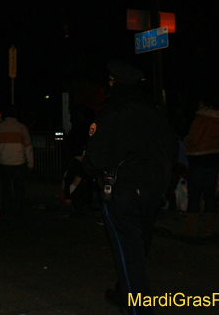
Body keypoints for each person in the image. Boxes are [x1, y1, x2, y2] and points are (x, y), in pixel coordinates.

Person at [84, 60, 176, 315]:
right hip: (154, 189)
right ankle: (124, 292)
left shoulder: (112, 111)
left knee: (128, 250)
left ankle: (137, 309)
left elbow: (97, 154)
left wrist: (90, 169)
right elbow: (171, 148)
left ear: (115, 83)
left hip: (123, 189)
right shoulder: (156, 111)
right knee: (139, 244)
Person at [182, 95, 219, 237]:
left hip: (199, 159)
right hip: (215, 158)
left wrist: (186, 141)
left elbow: (193, 139)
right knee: (210, 196)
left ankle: (191, 228)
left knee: (194, 195)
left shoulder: (201, 119)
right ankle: (208, 227)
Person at [0, 106, 33, 213]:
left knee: (5, 187)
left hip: (4, 162)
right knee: (19, 187)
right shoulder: (22, 128)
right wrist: (30, 164)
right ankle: (19, 206)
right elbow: (28, 147)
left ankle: (6, 207)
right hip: (19, 162)